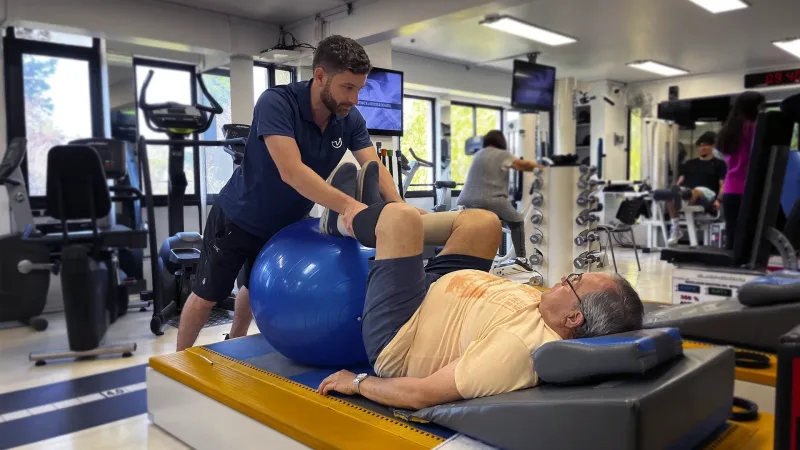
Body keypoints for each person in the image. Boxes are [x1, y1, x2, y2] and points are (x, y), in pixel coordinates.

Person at [315, 165, 644, 409]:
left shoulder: (518, 349)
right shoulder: (553, 310)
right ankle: (375, 221)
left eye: (573, 283)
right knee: (484, 222)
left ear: (574, 319)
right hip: (445, 291)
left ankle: (348, 219)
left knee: (402, 219)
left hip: (403, 330)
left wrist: (357, 382)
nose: (562, 279)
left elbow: (422, 394)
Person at [176, 35, 411, 351]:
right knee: (207, 295)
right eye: (347, 88)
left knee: (252, 286)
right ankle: (179, 361)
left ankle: (237, 343)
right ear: (320, 77)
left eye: (359, 89)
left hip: (285, 224)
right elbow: (292, 172)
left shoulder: (349, 118)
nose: (354, 99)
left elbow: (374, 165)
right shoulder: (277, 102)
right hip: (239, 217)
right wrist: (350, 206)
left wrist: (398, 206)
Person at [456, 130, 545, 268]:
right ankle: (522, 259)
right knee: (517, 220)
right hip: (490, 199)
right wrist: (542, 168)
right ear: (501, 142)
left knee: (480, 227)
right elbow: (521, 165)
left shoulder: (479, 154)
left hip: (465, 200)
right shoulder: (502, 154)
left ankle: (473, 260)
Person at [717, 91, 766, 249]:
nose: (762, 111)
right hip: (748, 188)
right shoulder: (752, 128)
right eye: (761, 107)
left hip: (730, 189)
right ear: (753, 107)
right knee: (749, 237)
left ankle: (731, 271)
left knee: (732, 234)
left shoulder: (727, 130)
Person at [666, 131, 727, 244]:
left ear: (713, 146)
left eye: (706, 145)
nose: (702, 148)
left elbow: (723, 185)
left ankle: (683, 202)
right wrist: (674, 189)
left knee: (696, 191)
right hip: (688, 192)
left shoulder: (719, 164)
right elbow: (680, 181)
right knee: (671, 195)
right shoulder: (690, 163)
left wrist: (719, 200)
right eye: (701, 145)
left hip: (708, 194)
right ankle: (676, 230)